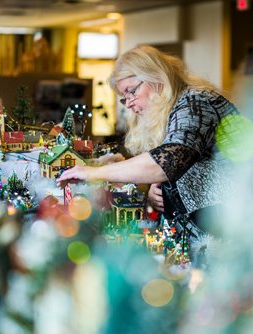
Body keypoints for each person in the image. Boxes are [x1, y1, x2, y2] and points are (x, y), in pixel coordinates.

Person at [57, 45, 239, 263]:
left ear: (156, 76)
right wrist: (158, 186)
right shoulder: (175, 107)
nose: (129, 103)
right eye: (124, 98)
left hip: (224, 232)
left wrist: (95, 172)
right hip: (200, 233)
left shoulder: (196, 102)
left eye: (131, 91)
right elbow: (175, 160)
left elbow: (168, 161)